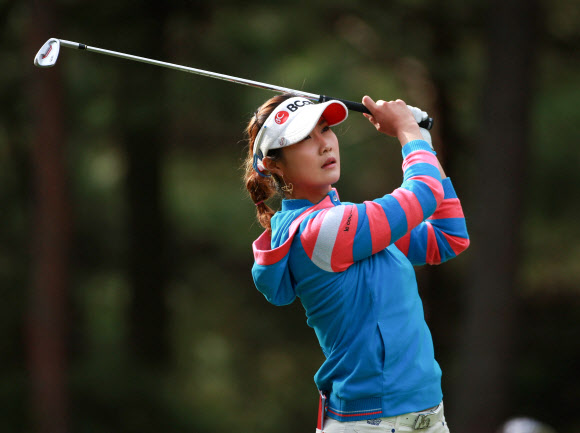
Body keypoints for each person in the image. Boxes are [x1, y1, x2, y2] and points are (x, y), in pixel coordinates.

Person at [243, 93, 469, 433]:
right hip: (369, 424)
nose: (325, 144)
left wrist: (420, 138)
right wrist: (407, 131)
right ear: (273, 164)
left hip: (428, 418)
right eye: (304, 138)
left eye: (325, 129)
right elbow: (422, 194)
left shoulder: (349, 225)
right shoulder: (323, 232)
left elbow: (447, 237)